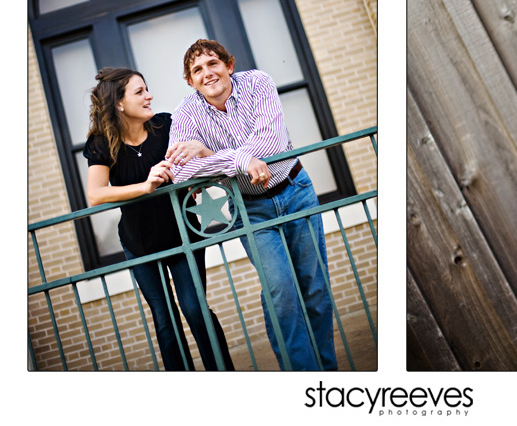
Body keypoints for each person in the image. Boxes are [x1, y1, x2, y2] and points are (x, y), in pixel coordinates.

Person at [164, 39, 337, 371]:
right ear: (190, 81)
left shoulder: (258, 83)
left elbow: (270, 144)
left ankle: (327, 375)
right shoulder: (186, 112)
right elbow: (180, 170)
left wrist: (210, 155)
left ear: (229, 65)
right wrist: (242, 159)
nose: (207, 73)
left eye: (213, 64)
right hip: (249, 208)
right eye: (197, 70)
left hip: (294, 190)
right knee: (282, 294)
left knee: (314, 290)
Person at [83, 68, 235, 371]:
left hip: (184, 236)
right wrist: (146, 185)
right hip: (139, 245)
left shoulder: (167, 125)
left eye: (147, 89)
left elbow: (201, 161)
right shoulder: (102, 144)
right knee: (165, 320)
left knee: (195, 310)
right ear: (119, 104)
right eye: (139, 92)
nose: (149, 95)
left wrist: (194, 173)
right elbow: (96, 194)